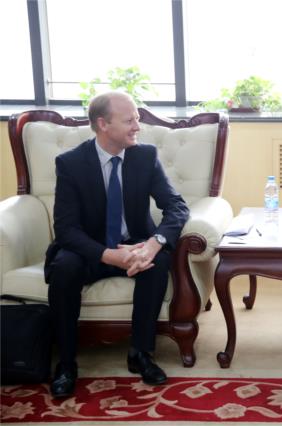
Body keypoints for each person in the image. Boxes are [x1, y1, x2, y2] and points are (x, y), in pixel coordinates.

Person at [45, 91, 190, 399]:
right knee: (64, 266)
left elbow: (176, 206)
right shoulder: (71, 163)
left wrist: (153, 243)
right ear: (103, 124)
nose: (138, 126)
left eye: (137, 118)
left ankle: (140, 353)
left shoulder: (145, 156)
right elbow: (66, 229)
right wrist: (109, 256)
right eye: (129, 120)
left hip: (134, 245)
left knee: (158, 261)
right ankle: (66, 364)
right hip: (89, 249)